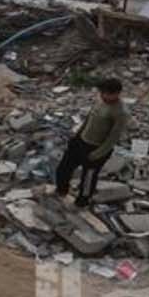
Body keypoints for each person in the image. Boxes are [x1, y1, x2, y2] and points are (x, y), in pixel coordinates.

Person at [53, 78, 127, 206]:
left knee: (88, 179)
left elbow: (113, 138)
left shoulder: (120, 112)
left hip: (96, 148)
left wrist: (97, 154)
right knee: (63, 168)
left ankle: (82, 203)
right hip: (81, 141)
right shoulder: (100, 101)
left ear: (116, 93)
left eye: (106, 93)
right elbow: (89, 119)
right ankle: (61, 191)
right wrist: (77, 136)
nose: (102, 95)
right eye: (101, 92)